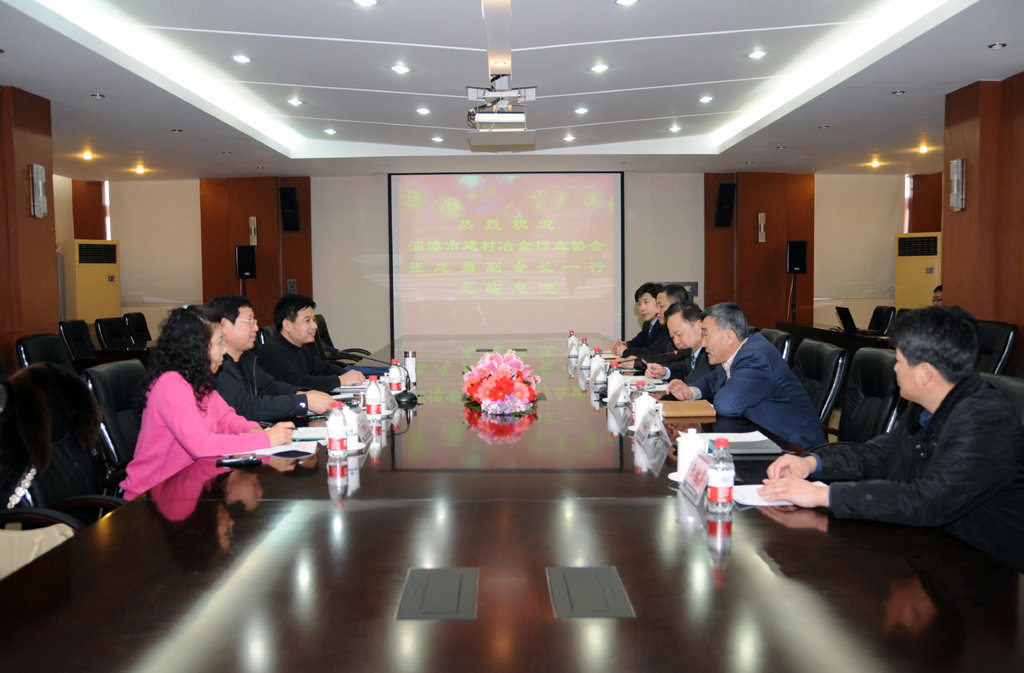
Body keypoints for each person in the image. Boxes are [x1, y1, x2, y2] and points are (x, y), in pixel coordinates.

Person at [759, 306, 1024, 572]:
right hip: (924, 550)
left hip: (982, 571)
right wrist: (812, 463)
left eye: (899, 361)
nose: (895, 370)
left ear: (925, 373)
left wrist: (824, 495)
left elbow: (929, 500)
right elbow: (878, 454)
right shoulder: (926, 408)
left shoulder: (987, 422)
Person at [121, 305, 295, 500]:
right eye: (220, 342)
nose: (224, 350)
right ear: (197, 348)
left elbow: (228, 420)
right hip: (151, 499)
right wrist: (265, 440)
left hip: (188, 490)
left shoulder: (199, 381)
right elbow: (200, 445)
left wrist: (254, 431)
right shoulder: (171, 384)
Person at [673, 302, 825, 448]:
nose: (704, 344)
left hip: (794, 447)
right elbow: (712, 379)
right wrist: (690, 392)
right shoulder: (738, 351)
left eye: (706, 335)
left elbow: (726, 405)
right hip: (761, 434)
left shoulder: (755, 356)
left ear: (729, 336)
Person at [206, 294, 334, 421]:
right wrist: (302, 402)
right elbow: (245, 406)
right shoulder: (216, 366)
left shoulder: (247, 359)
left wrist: (305, 394)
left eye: (255, 322)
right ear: (224, 326)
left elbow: (271, 387)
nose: (256, 328)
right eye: (249, 321)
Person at [258, 294, 366, 393]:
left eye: (313, 320)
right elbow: (297, 384)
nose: (314, 326)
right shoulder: (272, 352)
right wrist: (340, 380)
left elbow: (323, 368)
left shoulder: (301, 347)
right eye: (307, 320)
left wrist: (347, 375)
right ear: (287, 325)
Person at [642, 302, 716, 397]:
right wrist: (664, 372)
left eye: (679, 334)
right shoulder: (691, 351)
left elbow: (695, 379)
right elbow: (681, 369)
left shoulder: (713, 352)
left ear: (699, 325)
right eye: (672, 337)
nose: (676, 342)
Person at [622, 283, 691, 371]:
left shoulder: (687, 327)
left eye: (661, 306)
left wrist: (636, 362)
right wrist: (632, 359)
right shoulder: (666, 329)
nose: (657, 310)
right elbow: (655, 351)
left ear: (675, 306)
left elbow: (672, 360)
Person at [611, 283, 664, 356]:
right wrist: (625, 345)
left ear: (658, 302)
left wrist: (625, 351)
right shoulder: (647, 324)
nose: (642, 308)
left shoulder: (663, 325)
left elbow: (652, 352)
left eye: (646, 302)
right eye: (639, 303)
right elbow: (638, 342)